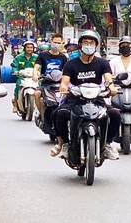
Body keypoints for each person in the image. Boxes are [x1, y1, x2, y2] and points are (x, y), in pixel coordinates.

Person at [51, 30, 121, 160]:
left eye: (91, 43)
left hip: (97, 99)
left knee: (115, 114)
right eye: (85, 42)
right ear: (80, 45)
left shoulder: (103, 63)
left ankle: (107, 144)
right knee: (59, 114)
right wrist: (63, 87)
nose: (88, 45)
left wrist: (111, 88)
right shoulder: (70, 64)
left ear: (96, 45)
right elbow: (65, 81)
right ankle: (64, 143)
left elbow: (108, 79)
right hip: (75, 99)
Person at [33, 33, 68, 123]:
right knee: (37, 94)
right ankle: (42, 115)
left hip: (59, 84)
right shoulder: (43, 55)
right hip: (45, 83)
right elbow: (36, 67)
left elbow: (67, 71)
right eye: (55, 42)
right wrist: (35, 75)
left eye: (59, 43)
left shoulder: (63, 57)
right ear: (51, 42)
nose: (57, 44)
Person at [11, 41, 38, 114]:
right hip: (22, 77)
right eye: (28, 47)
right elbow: (14, 66)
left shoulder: (36, 57)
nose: (29, 49)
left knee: (40, 87)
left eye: (31, 48)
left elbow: (40, 66)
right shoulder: (19, 57)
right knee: (18, 85)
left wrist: (40, 73)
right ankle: (15, 104)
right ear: (25, 48)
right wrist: (15, 71)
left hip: (33, 77)